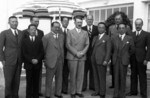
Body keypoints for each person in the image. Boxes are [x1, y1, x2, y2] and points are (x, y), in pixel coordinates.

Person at [105, 11, 132, 88]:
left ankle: (121, 85)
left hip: (123, 52)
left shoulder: (127, 27)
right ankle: (114, 84)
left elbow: (130, 40)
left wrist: (128, 54)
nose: (117, 20)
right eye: (116, 19)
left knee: (122, 71)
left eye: (119, 19)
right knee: (113, 69)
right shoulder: (111, 28)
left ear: (122, 19)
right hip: (114, 52)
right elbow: (109, 39)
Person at [0, 16, 24, 98]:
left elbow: (23, 47)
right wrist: (2, 59)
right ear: (9, 23)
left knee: (17, 81)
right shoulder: (4, 33)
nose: (15, 23)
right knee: (9, 81)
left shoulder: (21, 33)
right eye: (12, 21)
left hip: (19, 60)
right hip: (8, 61)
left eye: (16, 21)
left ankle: (15, 95)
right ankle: (8, 96)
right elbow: (0, 48)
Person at [66, 15, 89, 98]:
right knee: (73, 75)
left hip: (82, 57)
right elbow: (68, 45)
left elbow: (87, 44)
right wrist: (76, 53)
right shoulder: (70, 32)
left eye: (81, 22)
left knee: (80, 75)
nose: (79, 24)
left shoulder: (85, 32)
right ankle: (73, 92)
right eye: (78, 22)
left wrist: (82, 53)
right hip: (72, 57)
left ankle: (78, 91)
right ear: (74, 22)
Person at [126, 18, 150, 98]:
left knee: (142, 77)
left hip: (142, 59)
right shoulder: (131, 34)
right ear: (134, 25)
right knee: (133, 76)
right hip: (133, 59)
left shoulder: (147, 34)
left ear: (142, 25)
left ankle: (143, 94)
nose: (137, 26)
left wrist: (147, 59)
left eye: (139, 24)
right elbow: (129, 48)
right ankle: (133, 91)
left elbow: (149, 48)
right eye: (136, 24)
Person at [111, 23, 135, 98]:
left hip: (124, 61)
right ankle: (115, 94)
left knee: (123, 78)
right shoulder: (114, 37)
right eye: (120, 28)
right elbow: (111, 49)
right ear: (117, 29)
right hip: (116, 60)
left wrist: (127, 55)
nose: (121, 29)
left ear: (125, 29)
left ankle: (122, 95)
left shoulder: (129, 38)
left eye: (123, 28)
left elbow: (132, 50)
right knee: (116, 78)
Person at [23, 16, 44, 96]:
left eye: (34, 30)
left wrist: (37, 60)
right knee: (29, 81)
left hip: (37, 64)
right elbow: (24, 52)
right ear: (28, 30)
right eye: (31, 30)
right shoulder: (24, 40)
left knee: (36, 82)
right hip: (29, 64)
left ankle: (36, 95)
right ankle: (28, 95)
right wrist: (31, 60)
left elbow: (41, 51)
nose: (33, 31)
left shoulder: (39, 39)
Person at [42, 21, 64, 98]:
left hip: (60, 61)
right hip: (50, 61)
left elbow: (62, 49)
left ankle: (58, 93)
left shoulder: (61, 36)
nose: (57, 29)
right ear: (52, 27)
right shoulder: (46, 37)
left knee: (59, 78)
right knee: (49, 79)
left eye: (58, 27)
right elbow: (43, 50)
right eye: (55, 27)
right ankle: (48, 94)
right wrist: (45, 61)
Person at [91, 22, 111, 98]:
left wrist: (106, 60)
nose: (100, 29)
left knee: (102, 77)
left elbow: (108, 50)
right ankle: (97, 91)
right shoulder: (95, 37)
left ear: (105, 29)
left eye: (102, 27)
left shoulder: (107, 37)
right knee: (95, 76)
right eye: (99, 27)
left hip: (102, 60)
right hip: (94, 59)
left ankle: (102, 93)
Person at [82, 15, 98, 92]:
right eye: (88, 19)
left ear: (93, 20)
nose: (89, 21)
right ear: (86, 20)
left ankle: (92, 86)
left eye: (91, 19)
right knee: (84, 71)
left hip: (94, 54)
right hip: (84, 54)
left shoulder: (97, 28)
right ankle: (83, 86)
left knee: (93, 71)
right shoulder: (82, 29)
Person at [60, 16, 70, 94]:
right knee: (59, 73)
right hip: (59, 57)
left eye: (67, 21)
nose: (66, 23)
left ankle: (65, 89)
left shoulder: (70, 32)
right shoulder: (57, 31)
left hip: (68, 56)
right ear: (61, 22)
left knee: (66, 74)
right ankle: (59, 89)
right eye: (64, 21)